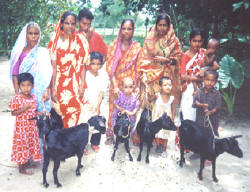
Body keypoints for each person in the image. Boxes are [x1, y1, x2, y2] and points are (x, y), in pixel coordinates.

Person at [48, 11, 90, 128]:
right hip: (59, 84)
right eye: (67, 23)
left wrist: (82, 86)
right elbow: (53, 67)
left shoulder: (80, 39)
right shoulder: (55, 40)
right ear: (61, 24)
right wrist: (53, 88)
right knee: (59, 113)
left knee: (75, 113)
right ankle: (62, 142)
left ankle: (72, 143)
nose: (70, 27)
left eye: (72, 24)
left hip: (76, 84)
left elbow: (83, 65)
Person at [105, 19, 142, 144]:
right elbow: (110, 69)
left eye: (129, 29)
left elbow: (138, 68)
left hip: (130, 85)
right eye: (124, 28)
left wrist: (136, 87)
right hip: (116, 83)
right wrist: (115, 86)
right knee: (114, 108)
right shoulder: (114, 45)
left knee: (130, 108)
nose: (126, 31)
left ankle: (128, 132)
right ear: (120, 29)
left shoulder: (136, 47)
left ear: (133, 30)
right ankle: (111, 132)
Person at [140, 13, 182, 109]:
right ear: (156, 25)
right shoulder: (149, 39)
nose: (162, 28)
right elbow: (144, 58)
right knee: (153, 105)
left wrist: (167, 61)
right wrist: (145, 74)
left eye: (165, 25)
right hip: (151, 77)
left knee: (166, 105)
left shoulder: (173, 41)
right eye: (160, 25)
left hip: (167, 78)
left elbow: (178, 59)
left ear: (168, 26)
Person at [10, 22, 52, 113]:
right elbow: (15, 75)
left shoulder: (43, 52)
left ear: (39, 35)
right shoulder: (19, 53)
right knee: (27, 119)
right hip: (26, 92)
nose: (33, 36)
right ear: (25, 35)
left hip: (41, 94)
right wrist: (18, 96)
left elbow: (48, 75)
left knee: (41, 119)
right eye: (30, 33)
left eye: (36, 34)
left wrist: (47, 90)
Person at [180, 30, 219, 121]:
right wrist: (196, 79)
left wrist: (205, 69)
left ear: (202, 42)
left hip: (204, 86)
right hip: (189, 87)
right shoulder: (184, 56)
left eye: (199, 41)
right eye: (194, 41)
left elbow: (216, 66)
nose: (197, 44)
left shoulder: (204, 52)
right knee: (189, 117)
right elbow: (182, 76)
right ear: (190, 41)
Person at [8, 73, 42, 175]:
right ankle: (21, 167)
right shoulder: (17, 98)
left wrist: (37, 113)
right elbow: (13, 113)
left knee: (29, 144)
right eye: (23, 85)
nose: (26, 88)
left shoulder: (33, 97)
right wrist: (24, 108)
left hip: (32, 127)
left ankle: (27, 163)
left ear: (32, 86)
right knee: (22, 145)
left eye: (28, 85)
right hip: (21, 129)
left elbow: (32, 110)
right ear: (19, 86)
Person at [193, 70, 221, 165]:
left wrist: (211, 111)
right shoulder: (199, 91)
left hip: (211, 122)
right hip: (200, 120)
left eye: (212, 80)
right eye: (207, 79)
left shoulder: (217, 93)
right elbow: (194, 103)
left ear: (216, 82)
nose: (209, 82)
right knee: (199, 136)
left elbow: (218, 106)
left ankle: (209, 156)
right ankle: (198, 152)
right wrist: (201, 105)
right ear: (203, 80)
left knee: (210, 138)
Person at [82, 52, 109, 153]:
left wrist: (98, 106)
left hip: (96, 103)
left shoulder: (103, 77)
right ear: (89, 64)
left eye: (98, 64)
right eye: (93, 64)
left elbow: (101, 93)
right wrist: (86, 102)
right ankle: (83, 144)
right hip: (86, 103)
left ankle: (95, 143)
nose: (95, 66)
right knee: (85, 124)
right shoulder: (86, 75)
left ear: (101, 65)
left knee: (96, 123)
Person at [111, 77, 140, 144]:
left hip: (129, 116)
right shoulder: (120, 95)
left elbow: (135, 109)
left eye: (130, 87)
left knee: (128, 129)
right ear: (122, 87)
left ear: (133, 87)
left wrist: (129, 112)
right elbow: (115, 104)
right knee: (116, 126)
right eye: (126, 87)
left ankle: (125, 138)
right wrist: (123, 110)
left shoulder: (134, 97)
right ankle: (115, 137)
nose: (128, 89)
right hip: (119, 115)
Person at [152, 76, 175, 158]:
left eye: (170, 85)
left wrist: (172, 118)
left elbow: (173, 108)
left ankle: (164, 149)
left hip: (166, 119)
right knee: (157, 133)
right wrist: (149, 96)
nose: (168, 87)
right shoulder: (157, 95)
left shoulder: (172, 98)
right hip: (157, 117)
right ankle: (158, 146)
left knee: (166, 134)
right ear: (160, 87)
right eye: (165, 85)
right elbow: (150, 99)